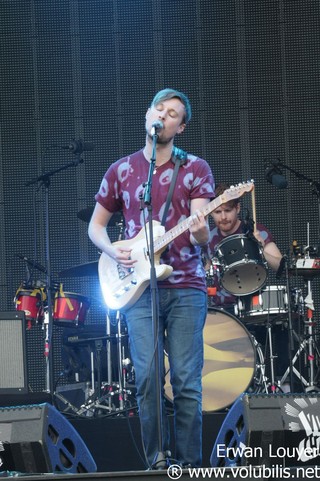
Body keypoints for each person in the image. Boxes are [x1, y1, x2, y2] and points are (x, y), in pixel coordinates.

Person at [88, 88, 215, 468]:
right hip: (137, 287)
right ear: (147, 115)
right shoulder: (122, 169)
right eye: (159, 109)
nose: (164, 115)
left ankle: (190, 465)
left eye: (173, 113)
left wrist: (201, 230)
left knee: (187, 383)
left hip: (186, 285)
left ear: (182, 127)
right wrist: (113, 251)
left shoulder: (195, 168)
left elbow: (198, 231)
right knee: (146, 379)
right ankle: (156, 463)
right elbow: (96, 227)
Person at [205, 182, 283, 313]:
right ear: (211, 213)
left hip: (253, 309)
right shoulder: (207, 239)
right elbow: (205, 273)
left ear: (238, 208)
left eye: (228, 210)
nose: (223, 217)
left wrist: (261, 249)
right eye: (218, 212)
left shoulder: (256, 232)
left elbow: (282, 267)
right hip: (221, 312)